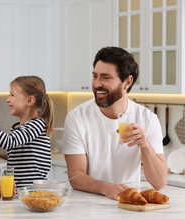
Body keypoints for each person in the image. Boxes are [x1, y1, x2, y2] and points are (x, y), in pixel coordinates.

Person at [63, 46, 168, 200]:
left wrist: (144, 144)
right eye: (95, 76)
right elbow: (76, 177)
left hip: (130, 203)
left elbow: (159, 183)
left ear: (127, 82)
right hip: (87, 204)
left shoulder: (147, 119)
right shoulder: (77, 118)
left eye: (106, 77)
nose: (97, 84)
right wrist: (107, 189)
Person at [0, 76, 53, 188]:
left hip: (31, 192)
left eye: (12, 95)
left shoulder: (36, 125)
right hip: (19, 192)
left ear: (30, 100)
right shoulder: (19, 128)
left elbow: (8, 141)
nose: (7, 99)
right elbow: (16, 169)